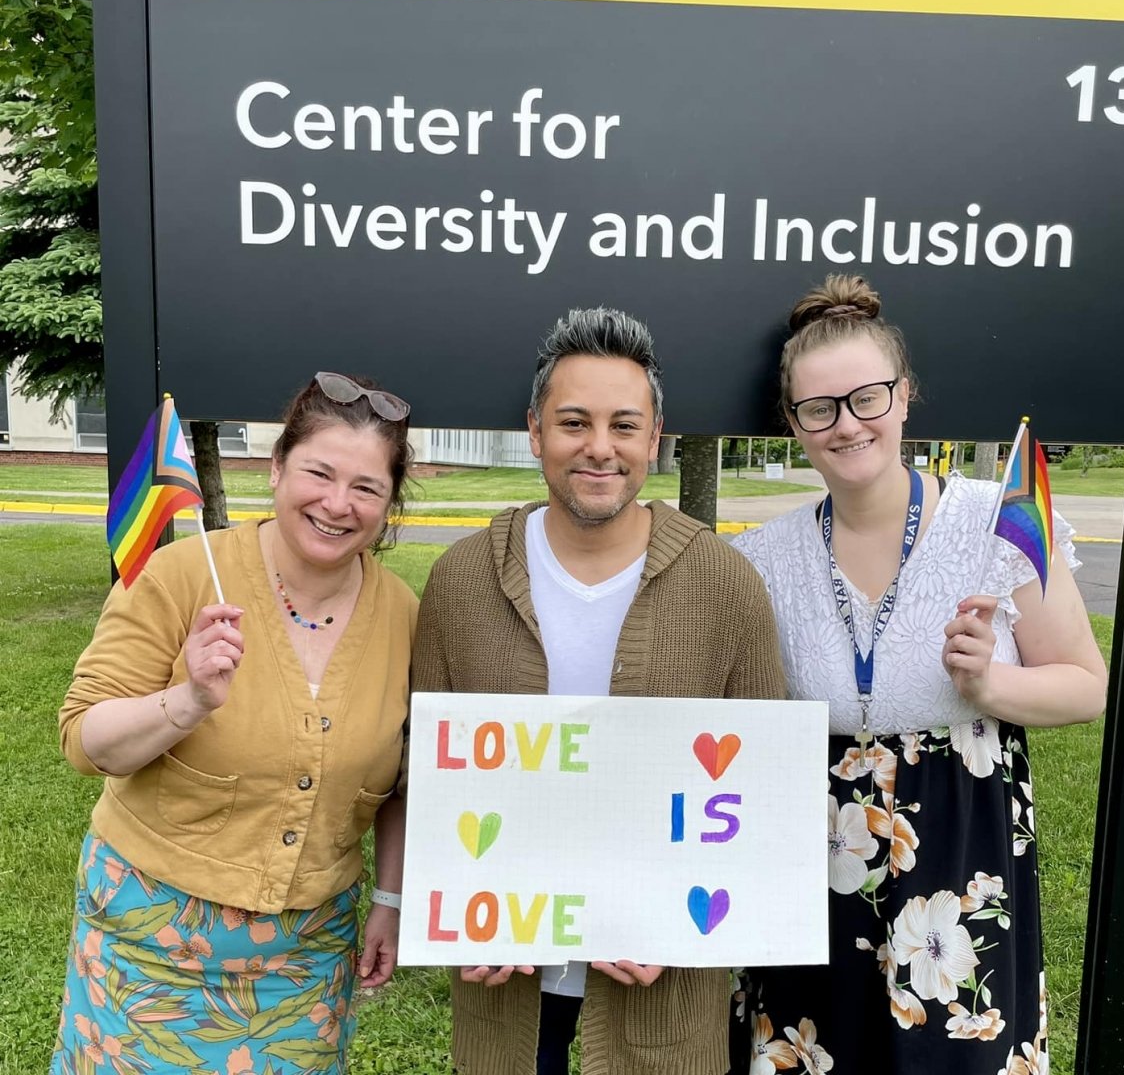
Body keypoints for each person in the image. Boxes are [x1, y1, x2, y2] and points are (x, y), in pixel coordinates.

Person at [729, 275, 1107, 1075]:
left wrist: (992, 688)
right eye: (818, 408)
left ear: (904, 398)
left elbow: (1085, 683)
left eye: (867, 398)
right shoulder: (761, 559)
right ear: (794, 425)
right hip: (810, 865)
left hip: (959, 857)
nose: (847, 424)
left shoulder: (1002, 516)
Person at [409, 307, 787, 1075]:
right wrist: (460, 909)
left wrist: (678, 928)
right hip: (505, 976)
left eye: (624, 425)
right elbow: (426, 770)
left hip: (662, 986)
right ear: (536, 430)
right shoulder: (462, 580)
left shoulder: (725, 584)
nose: (599, 448)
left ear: (654, 438)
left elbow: (762, 796)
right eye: (574, 422)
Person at [53, 372, 418, 1075]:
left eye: (367, 488)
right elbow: (85, 738)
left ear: (388, 502)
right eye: (320, 473)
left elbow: (402, 777)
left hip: (307, 959)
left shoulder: (404, 615)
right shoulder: (182, 575)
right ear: (278, 468)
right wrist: (186, 700)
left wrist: (391, 899)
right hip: (149, 942)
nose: (338, 505)